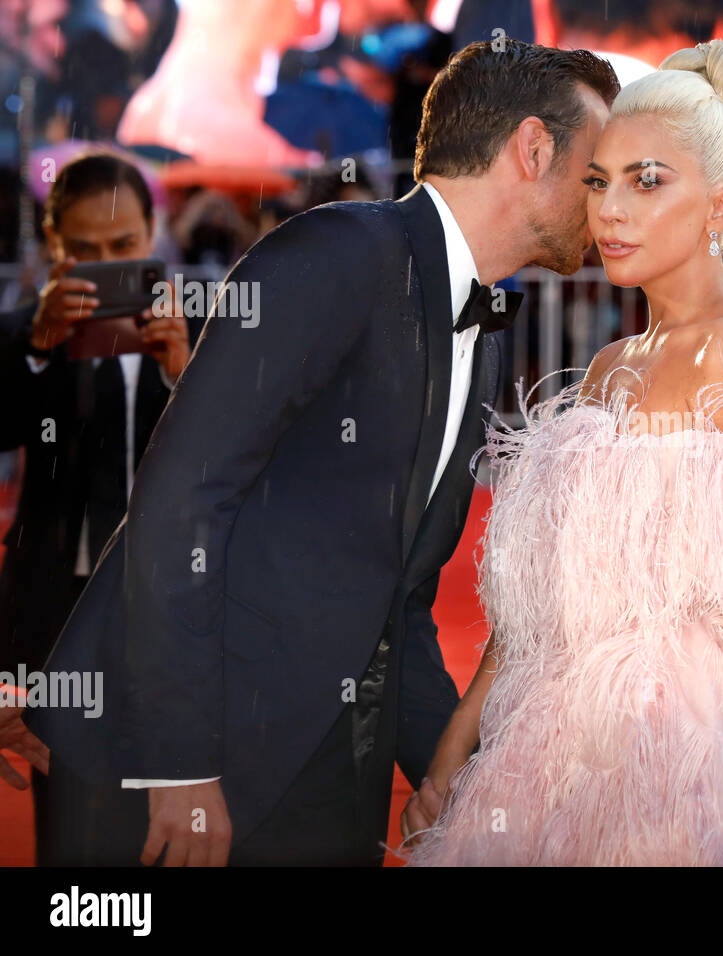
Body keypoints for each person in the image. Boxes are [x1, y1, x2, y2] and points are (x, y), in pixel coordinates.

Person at [19, 39, 619, 866]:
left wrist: (450, 776)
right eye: (596, 173)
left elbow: (397, 598)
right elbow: (180, 504)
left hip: (323, 777)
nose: (608, 200)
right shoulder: (340, 252)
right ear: (532, 148)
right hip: (167, 768)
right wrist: (182, 763)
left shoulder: (476, 334)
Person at [400, 40, 723, 867]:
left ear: (720, 206)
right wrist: (453, 747)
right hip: (567, 738)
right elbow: (540, 604)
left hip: (692, 761)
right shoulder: (614, 366)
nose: (611, 210)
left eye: (648, 182)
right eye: (599, 181)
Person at [0, 152, 193, 864]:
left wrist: (185, 379)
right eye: (84, 251)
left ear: (153, 233)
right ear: (54, 245)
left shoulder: (201, 333)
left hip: (175, 615)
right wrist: (41, 349)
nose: (106, 265)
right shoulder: (23, 335)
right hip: (61, 621)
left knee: (174, 822)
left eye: (122, 248)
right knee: (74, 840)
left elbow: (239, 471)